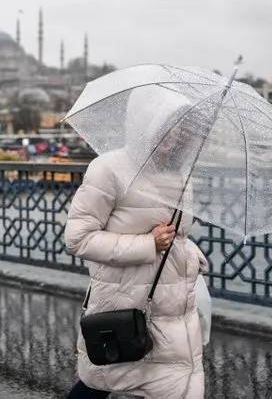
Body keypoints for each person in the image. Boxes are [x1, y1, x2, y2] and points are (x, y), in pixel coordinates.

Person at [64, 87, 208, 399]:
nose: (172, 139)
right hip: (124, 301)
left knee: (181, 384)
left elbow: (177, 236)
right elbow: (78, 239)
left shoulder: (184, 175)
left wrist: (190, 254)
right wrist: (147, 244)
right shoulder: (108, 169)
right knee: (103, 379)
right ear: (144, 125)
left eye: (180, 131)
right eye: (164, 130)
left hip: (174, 306)